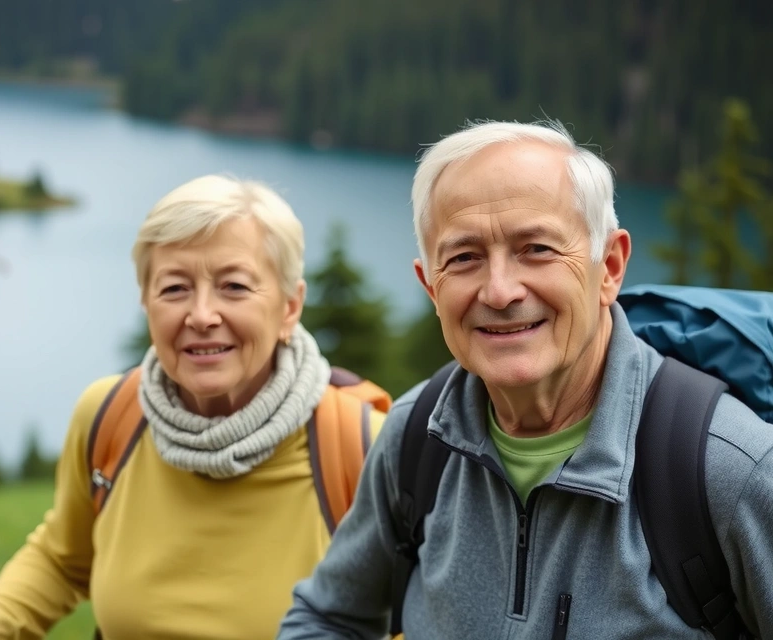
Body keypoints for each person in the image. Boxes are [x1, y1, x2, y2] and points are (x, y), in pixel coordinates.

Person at [276, 120, 773, 638]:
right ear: (430, 286)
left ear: (609, 266)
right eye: (464, 257)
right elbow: (326, 616)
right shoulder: (417, 437)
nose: (499, 290)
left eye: (536, 248)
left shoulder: (732, 469)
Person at [0, 174, 389, 640]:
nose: (201, 315)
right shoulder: (110, 417)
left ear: (290, 307)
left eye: (233, 286)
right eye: (174, 288)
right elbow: (61, 560)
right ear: (146, 303)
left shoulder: (368, 447)